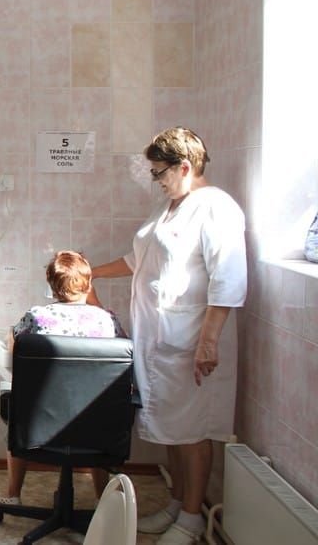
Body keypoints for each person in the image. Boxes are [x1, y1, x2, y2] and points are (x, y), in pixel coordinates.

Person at [89, 127, 246, 545]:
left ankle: (191, 520)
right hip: (160, 341)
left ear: (185, 167)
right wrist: (92, 272)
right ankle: (177, 504)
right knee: (173, 428)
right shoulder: (172, 206)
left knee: (192, 432)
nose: (156, 180)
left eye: (160, 172)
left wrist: (208, 342)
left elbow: (228, 280)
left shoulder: (216, 208)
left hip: (191, 341)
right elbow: (138, 259)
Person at [0, 250, 125, 506]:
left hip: (42, 423)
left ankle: (13, 495)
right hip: (95, 423)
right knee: (100, 414)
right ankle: (102, 499)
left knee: (19, 409)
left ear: (52, 285)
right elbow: (124, 353)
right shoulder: (107, 320)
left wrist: (12, 336)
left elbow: (14, 354)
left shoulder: (36, 317)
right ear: (87, 284)